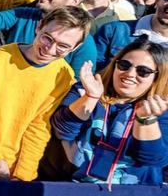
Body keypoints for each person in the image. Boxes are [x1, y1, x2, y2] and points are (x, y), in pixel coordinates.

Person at [0, 6, 92, 181]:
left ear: (75, 48)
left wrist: (23, 175)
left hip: (18, 168)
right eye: (47, 38)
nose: (49, 50)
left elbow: (39, 127)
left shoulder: (64, 75)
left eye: (63, 46)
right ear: (39, 27)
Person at [50, 41, 168, 186]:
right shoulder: (86, 89)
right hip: (75, 187)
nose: (130, 74)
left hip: (132, 195)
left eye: (143, 71)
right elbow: (62, 131)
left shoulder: (160, 109)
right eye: (124, 65)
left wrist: (144, 119)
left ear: (157, 78)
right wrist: (91, 97)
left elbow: (153, 159)